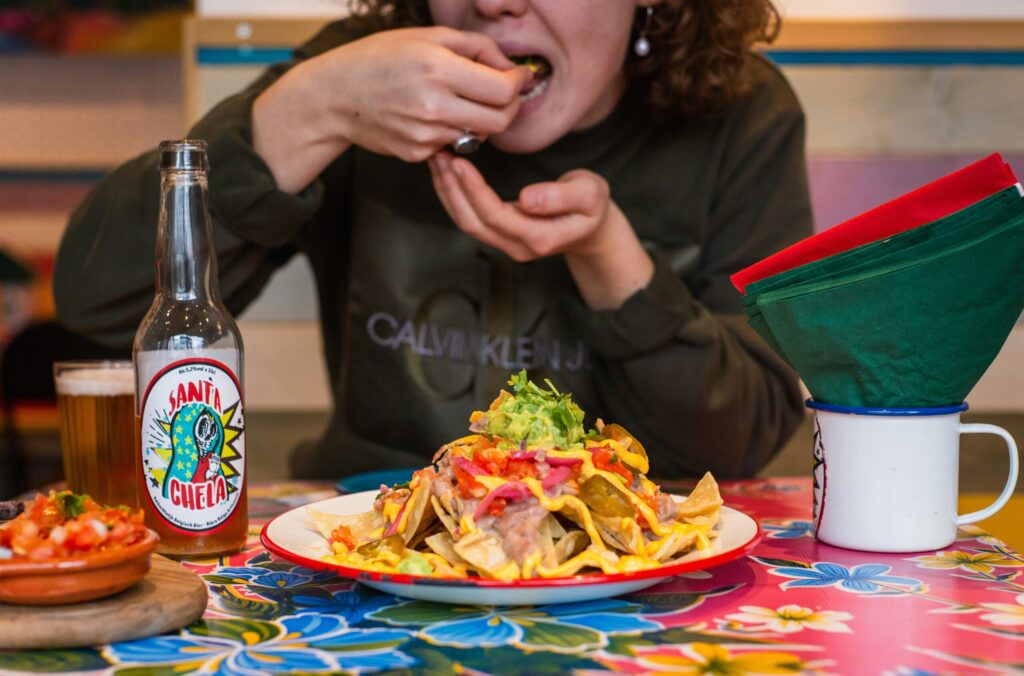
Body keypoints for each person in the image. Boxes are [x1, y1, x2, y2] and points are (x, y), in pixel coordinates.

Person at [54, 0, 812, 480]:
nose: (495, 3)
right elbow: (104, 306)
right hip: (364, 545)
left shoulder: (741, 116)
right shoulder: (364, 75)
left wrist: (612, 260)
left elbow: (739, 447)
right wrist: (315, 109)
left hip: (642, 571)